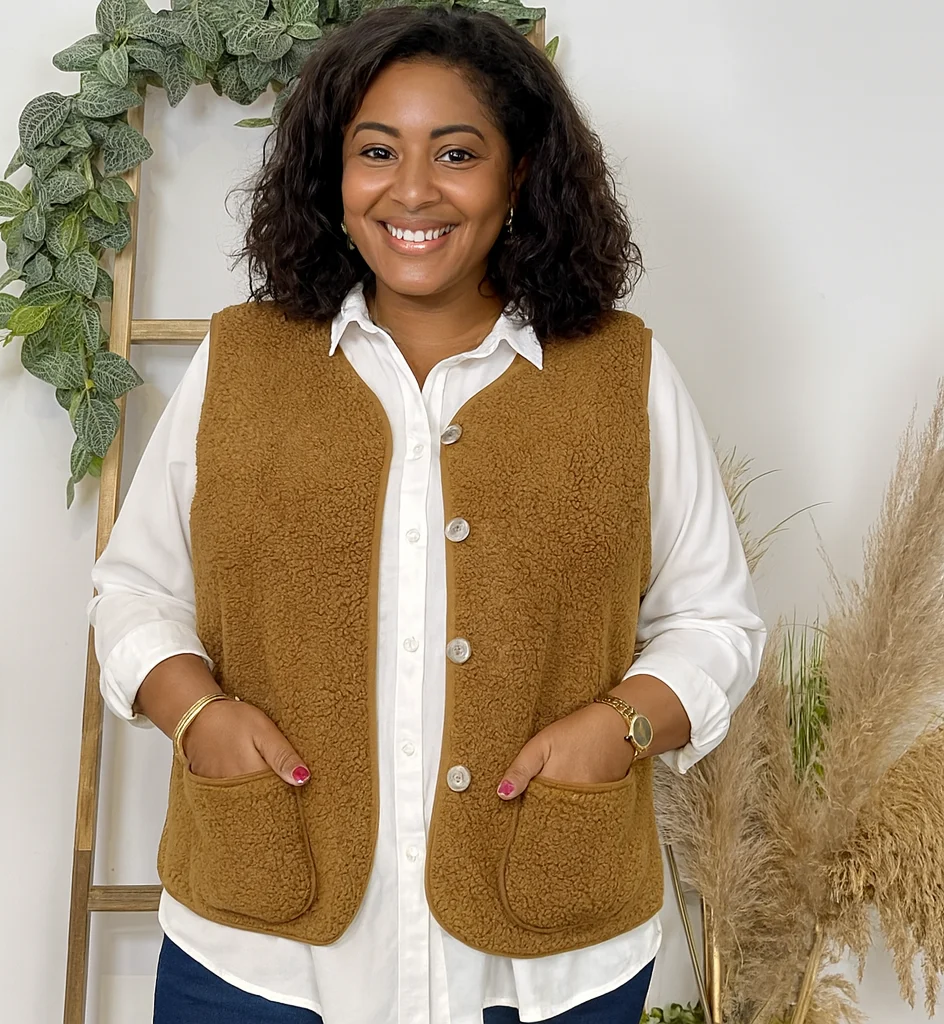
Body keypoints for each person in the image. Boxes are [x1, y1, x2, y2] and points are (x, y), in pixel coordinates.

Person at [88, 5, 767, 1023]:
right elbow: (134, 590)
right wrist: (199, 717)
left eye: (456, 153)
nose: (412, 190)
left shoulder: (621, 373)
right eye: (376, 152)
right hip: (260, 943)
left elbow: (715, 619)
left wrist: (620, 727)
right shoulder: (242, 360)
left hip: (544, 954)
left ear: (519, 173)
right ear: (333, 173)